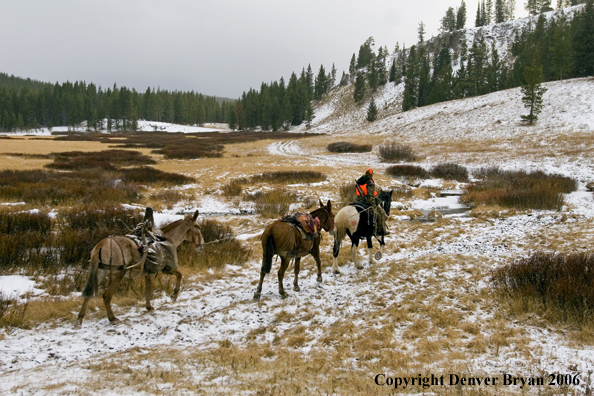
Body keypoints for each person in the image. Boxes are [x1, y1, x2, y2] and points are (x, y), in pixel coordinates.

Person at [355, 168, 390, 236]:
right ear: (370, 174)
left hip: (357, 200)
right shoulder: (370, 182)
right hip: (366, 201)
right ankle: (380, 230)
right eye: (372, 174)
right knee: (380, 214)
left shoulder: (359, 181)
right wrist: (374, 204)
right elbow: (370, 196)